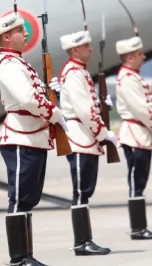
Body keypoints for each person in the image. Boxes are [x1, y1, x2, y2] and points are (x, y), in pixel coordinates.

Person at [0, 12, 68, 266]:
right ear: (6, 36)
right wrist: (53, 113)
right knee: (20, 197)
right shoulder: (10, 64)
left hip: (31, 135)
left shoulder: (18, 62)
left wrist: (49, 94)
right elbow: (26, 100)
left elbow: (32, 95)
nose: (25, 34)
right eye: (20, 31)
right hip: (21, 135)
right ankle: (18, 258)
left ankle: (26, 255)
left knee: (28, 198)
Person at [49, 29, 117, 256]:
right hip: (80, 137)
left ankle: (86, 240)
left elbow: (89, 104)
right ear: (75, 50)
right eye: (86, 46)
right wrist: (102, 133)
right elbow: (84, 110)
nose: (90, 49)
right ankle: (81, 242)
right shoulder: (74, 73)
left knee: (84, 191)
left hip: (85, 137)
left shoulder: (79, 71)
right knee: (80, 192)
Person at [115, 35, 152, 241]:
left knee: (140, 182)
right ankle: (138, 228)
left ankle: (140, 227)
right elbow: (141, 111)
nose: (142, 56)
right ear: (129, 57)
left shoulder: (132, 76)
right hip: (136, 135)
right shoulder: (128, 78)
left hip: (141, 135)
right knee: (137, 182)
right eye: (138, 54)